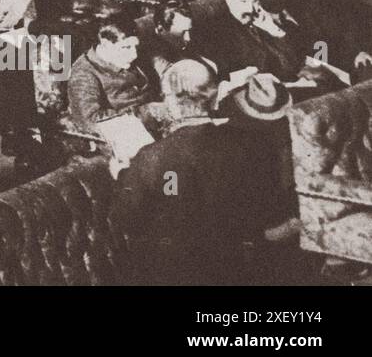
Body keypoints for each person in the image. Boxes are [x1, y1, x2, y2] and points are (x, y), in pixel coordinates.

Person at [112, 60, 281, 285]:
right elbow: (267, 210)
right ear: (214, 97)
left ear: (170, 103)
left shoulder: (150, 157)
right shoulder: (252, 144)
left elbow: (128, 221)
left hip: (177, 274)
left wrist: (122, 176)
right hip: (242, 267)